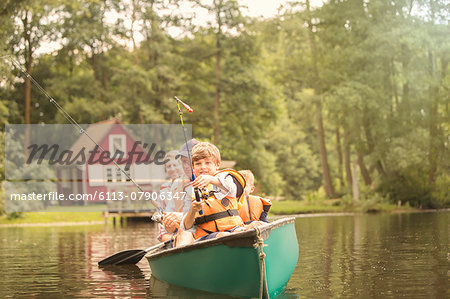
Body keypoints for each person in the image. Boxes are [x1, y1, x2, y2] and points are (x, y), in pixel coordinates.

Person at [174, 142, 261, 246]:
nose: (202, 167)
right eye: (198, 164)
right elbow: (186, 226)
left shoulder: (225, 178)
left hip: (235, 228)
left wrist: (210, 179)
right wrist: (193, 210)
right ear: (193, 168)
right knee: (222, 236)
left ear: (217, 165)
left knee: (256, 225)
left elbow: (232, 188)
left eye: (208, 163)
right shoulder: (190, 191)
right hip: (208, 237)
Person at [159, 139, 199, 241]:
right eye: (184, 162)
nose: (186, 166)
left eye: (190, 161)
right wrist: (167, 221)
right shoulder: (175, 187)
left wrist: (181, 216)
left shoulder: (213, 181)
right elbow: (167, 221)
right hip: (182, 237)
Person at [157, 150, 184, 242]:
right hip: (172, 234)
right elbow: (162, 230)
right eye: (169, 166)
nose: (172, 169)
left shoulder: (190, 183)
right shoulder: (164, 189)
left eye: (175, 165)